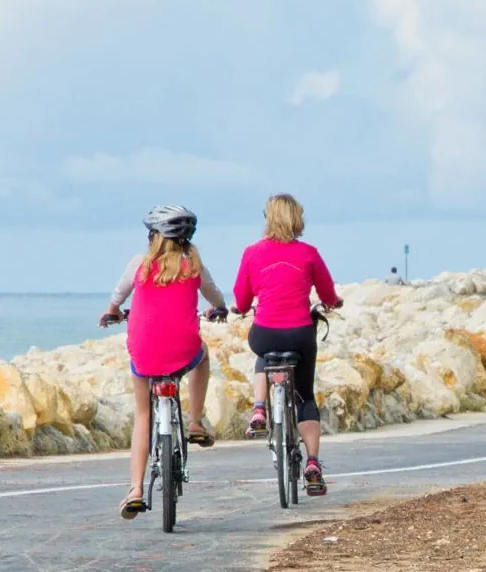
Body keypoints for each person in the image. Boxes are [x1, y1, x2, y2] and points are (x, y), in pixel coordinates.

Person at [99, 204, 229, 520]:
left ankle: (135, 490)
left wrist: (113, 312)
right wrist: (220, 310)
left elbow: (117, 297)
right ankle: (196, 421)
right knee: (203, 355)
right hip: (184, 351)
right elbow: (216, 298)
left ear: (153, 237)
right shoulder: (193, 265)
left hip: (144, 353)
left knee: (143, 414)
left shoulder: (139, 264)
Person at [234, 193, 342, 497]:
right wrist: (334, 303)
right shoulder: (308, 253)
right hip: (300, 334)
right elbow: (328, 293)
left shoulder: (252, 253)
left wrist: (241, 310)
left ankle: (259, 410)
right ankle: (312, 464)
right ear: (297, 218)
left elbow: (242, 299)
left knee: (262, 354)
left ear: (269, 218)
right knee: (305, 395)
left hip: (266, 332)